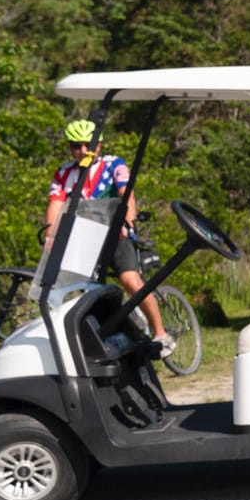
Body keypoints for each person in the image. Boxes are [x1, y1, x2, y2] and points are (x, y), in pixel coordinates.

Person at [46, 119, 170, 353]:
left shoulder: (114, 164)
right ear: (70, 147)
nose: (83, 151)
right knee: (87, 291)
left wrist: (128, 221)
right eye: (76, 145)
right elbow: (55, 205)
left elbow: (127, 194)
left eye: (88, 145)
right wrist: (51, 236)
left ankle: (161, 334)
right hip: (86, 238)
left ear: (99, 145)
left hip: (115, 233)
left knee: (130, 281)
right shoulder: (64, 173)